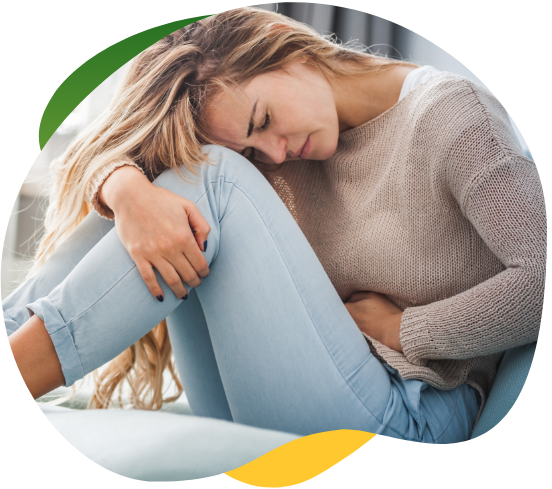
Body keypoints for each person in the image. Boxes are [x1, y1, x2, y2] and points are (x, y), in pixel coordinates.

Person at [4, 7, 544, 444]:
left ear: (284, 45)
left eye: (261, 122)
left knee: (211, 177)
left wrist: (403, 330)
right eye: (253, 148)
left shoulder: (455, 117)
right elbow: (108, 154)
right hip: (291, 389)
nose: (275, 152)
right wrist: (126, 192)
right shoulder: (280, 158)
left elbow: (540, 279)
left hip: (412, 409)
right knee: (172, 181)